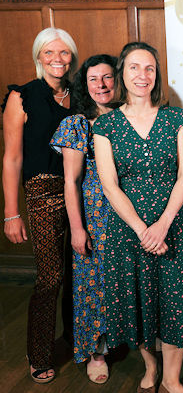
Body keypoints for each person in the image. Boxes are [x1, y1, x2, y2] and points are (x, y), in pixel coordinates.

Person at [93, 42, 183, 393]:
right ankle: (150, 367)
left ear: (156, 75)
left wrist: (162, 224)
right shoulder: (105, 125)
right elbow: (110, 186)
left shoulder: (177, 118)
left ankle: (171, 379)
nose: (142, 75)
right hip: (129, 230)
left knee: (176, 301)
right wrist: (143, 230)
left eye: (149, 69)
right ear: (122, 73)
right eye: (134, 68)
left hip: (173, 225)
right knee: (137, 300)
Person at [2, 27, 78, 384]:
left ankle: (81, 341)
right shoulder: (23, 96)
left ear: (72, 57)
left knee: (83, 272)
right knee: (50, 276)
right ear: (38, 57)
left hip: (82, 191)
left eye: (63, 53)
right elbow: (12, 158)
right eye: (49, 53)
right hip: (42, 191)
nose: (57, 60)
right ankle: (39, 353)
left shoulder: (80, 94)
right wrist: (11, 212)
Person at [50, 54, 118, 384]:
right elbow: (70, 182)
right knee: (95, 283)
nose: (101, 85)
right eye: (94, 79)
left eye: (107, 78)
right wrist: (77, 228)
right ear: (84, 84)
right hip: (95, 216)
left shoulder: (129, 119)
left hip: (130, 215)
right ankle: (96, 351)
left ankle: (133, 339)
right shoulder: (77, 124)